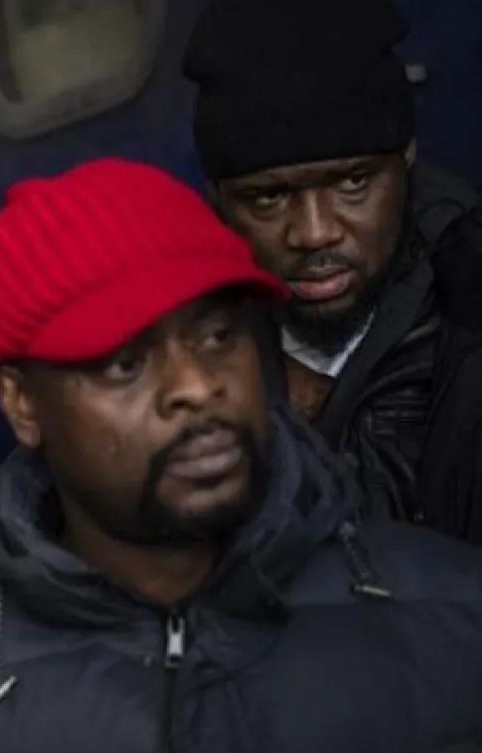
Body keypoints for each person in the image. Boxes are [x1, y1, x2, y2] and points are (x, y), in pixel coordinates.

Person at [0, 159, 482, 753]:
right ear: (20, 401)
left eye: (219, 336)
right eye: (124, 362)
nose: (196, 384)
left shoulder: (458, 613)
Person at [184, 0, 482, 541]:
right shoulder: (174, 357)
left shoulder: (468, 326)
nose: (316, 232)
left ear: (407, 157)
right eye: (269, 198)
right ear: (217, 200)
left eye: (353, 184)